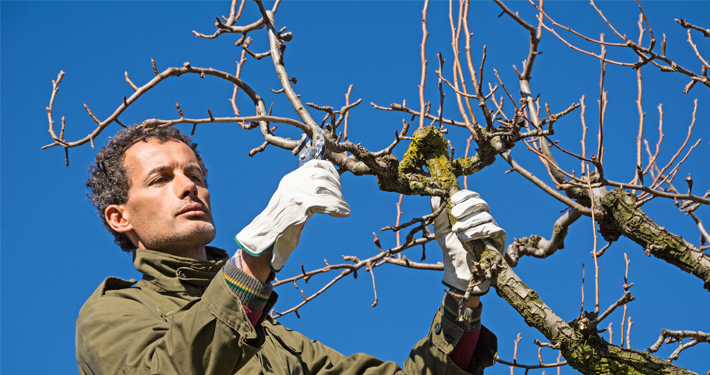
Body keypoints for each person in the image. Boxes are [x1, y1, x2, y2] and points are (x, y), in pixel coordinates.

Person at [76, 125, 507, 375]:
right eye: (160, 179)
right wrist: (253, 260)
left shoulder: (278, 342)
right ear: (120, 217)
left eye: (194, 174)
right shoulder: (112, 316)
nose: (189, 186)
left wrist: (462, 293)